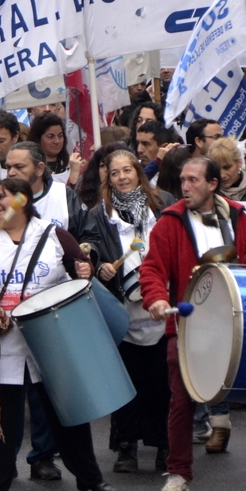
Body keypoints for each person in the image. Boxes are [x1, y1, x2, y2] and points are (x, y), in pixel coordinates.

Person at [138, 157, 246, 491]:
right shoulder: (170, 222)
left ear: (213, 184)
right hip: (190, 325)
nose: (185, 186)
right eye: (183, 180)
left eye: (193, 180)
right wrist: (156, 298)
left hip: (241, 319)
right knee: (181, 401)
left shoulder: (236, 216)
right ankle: (178, 473)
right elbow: (152, 269)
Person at [0, 178, 118, 491]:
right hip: (1, 343)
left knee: (68, 414)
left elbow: (80, 269)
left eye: (3, 197)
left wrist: (85, 269)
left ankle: (90, 478)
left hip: (50, 338)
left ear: (22, 200)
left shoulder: (52, 234)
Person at [80, 149, 170, 474]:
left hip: (161, 303)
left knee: (162, 383)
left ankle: (164, 446)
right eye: (115, 172)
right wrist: (100, 264)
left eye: (127, 170)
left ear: (138, 172)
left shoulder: (163, 204)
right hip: (123, 308)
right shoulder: (99, 213)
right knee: (126, 382)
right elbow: (88, 245)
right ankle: (126, 446)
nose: (122, 177)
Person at [27, 113, 81, 186]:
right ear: (38, 139)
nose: (57, 141)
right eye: (50, 137)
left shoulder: (72, 165)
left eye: (60, 136)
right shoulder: (29, 168)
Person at [208, 138, 246, 207]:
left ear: (239, 162)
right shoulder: (208, 196)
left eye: (227, 167)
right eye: (217, 169)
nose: (222, 175)